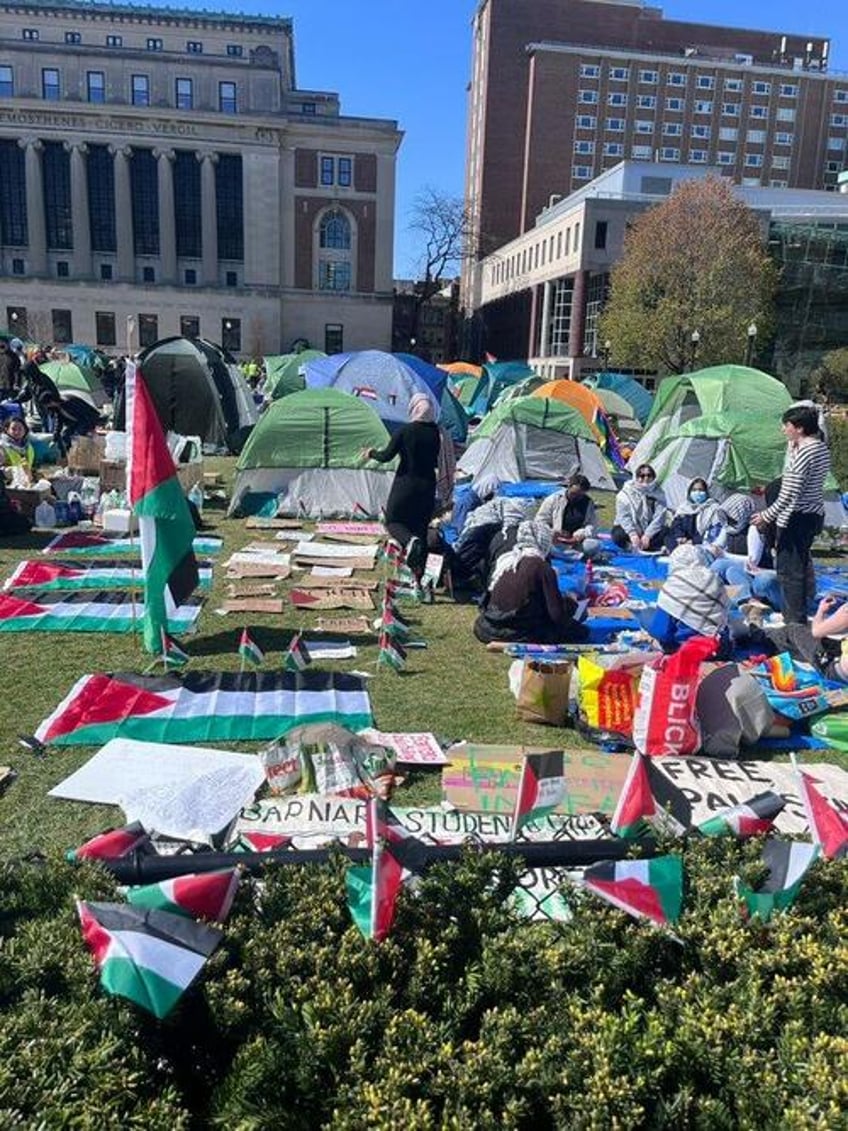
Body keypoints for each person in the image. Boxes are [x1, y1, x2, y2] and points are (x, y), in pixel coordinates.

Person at [752, 404, 830, 624]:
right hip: (811, 514)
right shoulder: (820, 447)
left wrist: (767, 516)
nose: (783, 430)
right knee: (799, 566)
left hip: (797, 516)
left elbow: (789, 492)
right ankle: (796, 614)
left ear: (799, 428)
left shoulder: (806, 451)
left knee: (790, 571)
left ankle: (794, 621)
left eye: (786, 426)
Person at [473, 520, 588, 644]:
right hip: (516, 631)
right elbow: (557, 615)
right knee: (580, 631)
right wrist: (571, 604)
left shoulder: (510, 561)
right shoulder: (542, 567)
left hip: (489, 627)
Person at [364, 392, 440, 576]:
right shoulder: (436, 433)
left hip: (406, 483)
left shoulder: (406, 431)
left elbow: (386, 456)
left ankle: (408, 541)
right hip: (428, 485)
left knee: (393, 521)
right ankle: (420, 580)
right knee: (421, 528)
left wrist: (370, 453)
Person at [611, 464, 669, 550]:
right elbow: (623, 517)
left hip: (649, 529)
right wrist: (633, 534)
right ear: (636, 477)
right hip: (632, 528)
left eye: (649, 475)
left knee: (666, 532)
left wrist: (648, 535)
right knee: (617, 534)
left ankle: (644, 545)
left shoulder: (659, 493)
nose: (646, 478)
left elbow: (659, 518)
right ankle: (636, 545)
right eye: (641, 475)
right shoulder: (624, 494)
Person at [665, 478, 728, 552]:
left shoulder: (713, 508)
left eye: (701, 490)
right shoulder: (684, 508)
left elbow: (714, 531)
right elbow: (676, 526)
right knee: (667, 536)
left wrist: (693, 541)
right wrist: (680, 537)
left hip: (702, 542)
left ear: (706, 492)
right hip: (683, 542)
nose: (697, 492)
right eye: (694, 490)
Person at [536, 474, 597, 546]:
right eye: (573, 494)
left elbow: (591, 524)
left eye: (580, 495)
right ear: (568, 487)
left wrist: (581, 534)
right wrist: (553, 532)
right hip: (553, 538)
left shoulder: (588, 503)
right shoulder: (553, 499)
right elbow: (540, 521)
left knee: (593, 546)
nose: (575, 497)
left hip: (575, 540)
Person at [0, 417, 36, 482]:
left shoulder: (28, 445)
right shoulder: (2, 446)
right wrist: (15, 472)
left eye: (20, 429)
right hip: (9, 485)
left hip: (26, 481)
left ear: (25, 430)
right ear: (7, 430)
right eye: (13, 429)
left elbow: (30, 465)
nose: (17, 432)